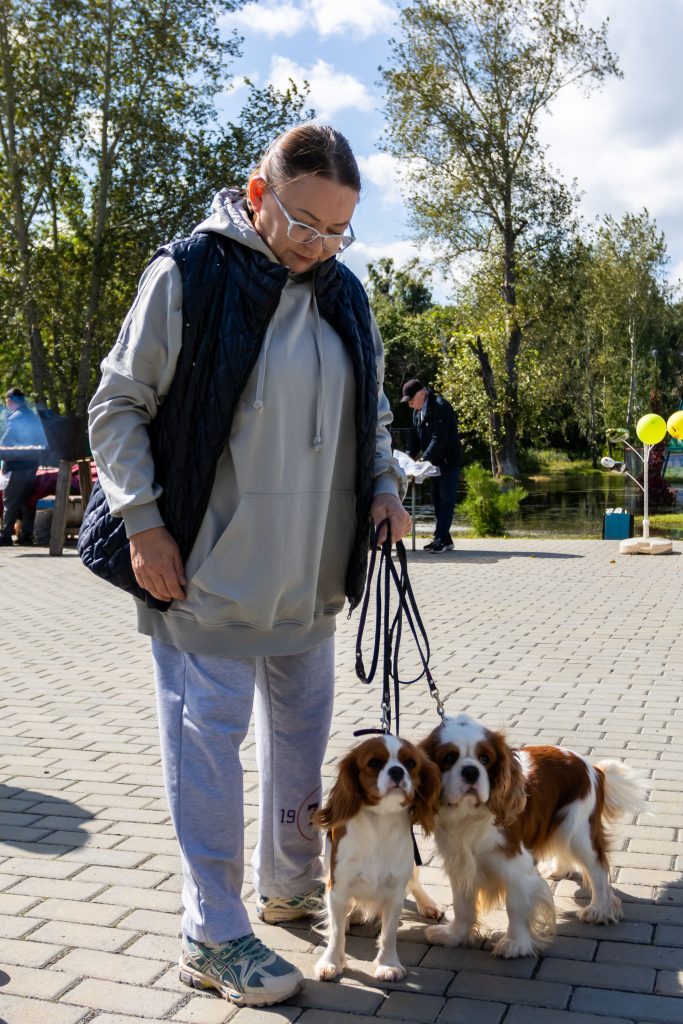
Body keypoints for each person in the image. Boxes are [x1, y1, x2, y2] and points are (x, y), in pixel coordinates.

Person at [87, 123, 411, 1008]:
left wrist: (382, 485)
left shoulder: (345, 292)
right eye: (306, 223)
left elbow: (368, 413)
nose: (320, 246)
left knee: (302, 754)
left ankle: (288, 881)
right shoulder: (189, 272)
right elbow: (116, 405)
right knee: (209, 753)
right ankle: (212, 930)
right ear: (259, 192)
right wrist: (144, 523)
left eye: (340, 230)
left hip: (308, 580)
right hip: (201, 575)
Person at [402, 378, 462, 552]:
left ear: (422, 394)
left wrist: (423, 460)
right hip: (434, 464)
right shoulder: (418, 410)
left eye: (411, 400)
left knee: (445, 500)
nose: (410, 405)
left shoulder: (441, 407)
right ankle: (445, 539)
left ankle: (440, 539)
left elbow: (439, 439)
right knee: (437, 499)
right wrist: (408, 459)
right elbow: (414, 437)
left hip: (448, 462)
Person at [0, 387, 46, 547]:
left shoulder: (15, 418)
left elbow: (5, 443)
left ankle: (5, 535)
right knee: (26, 502)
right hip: (32, 466)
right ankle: (26, 535)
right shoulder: (33, 416)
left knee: (10, 502)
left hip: (17, 467)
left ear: (10, 401)